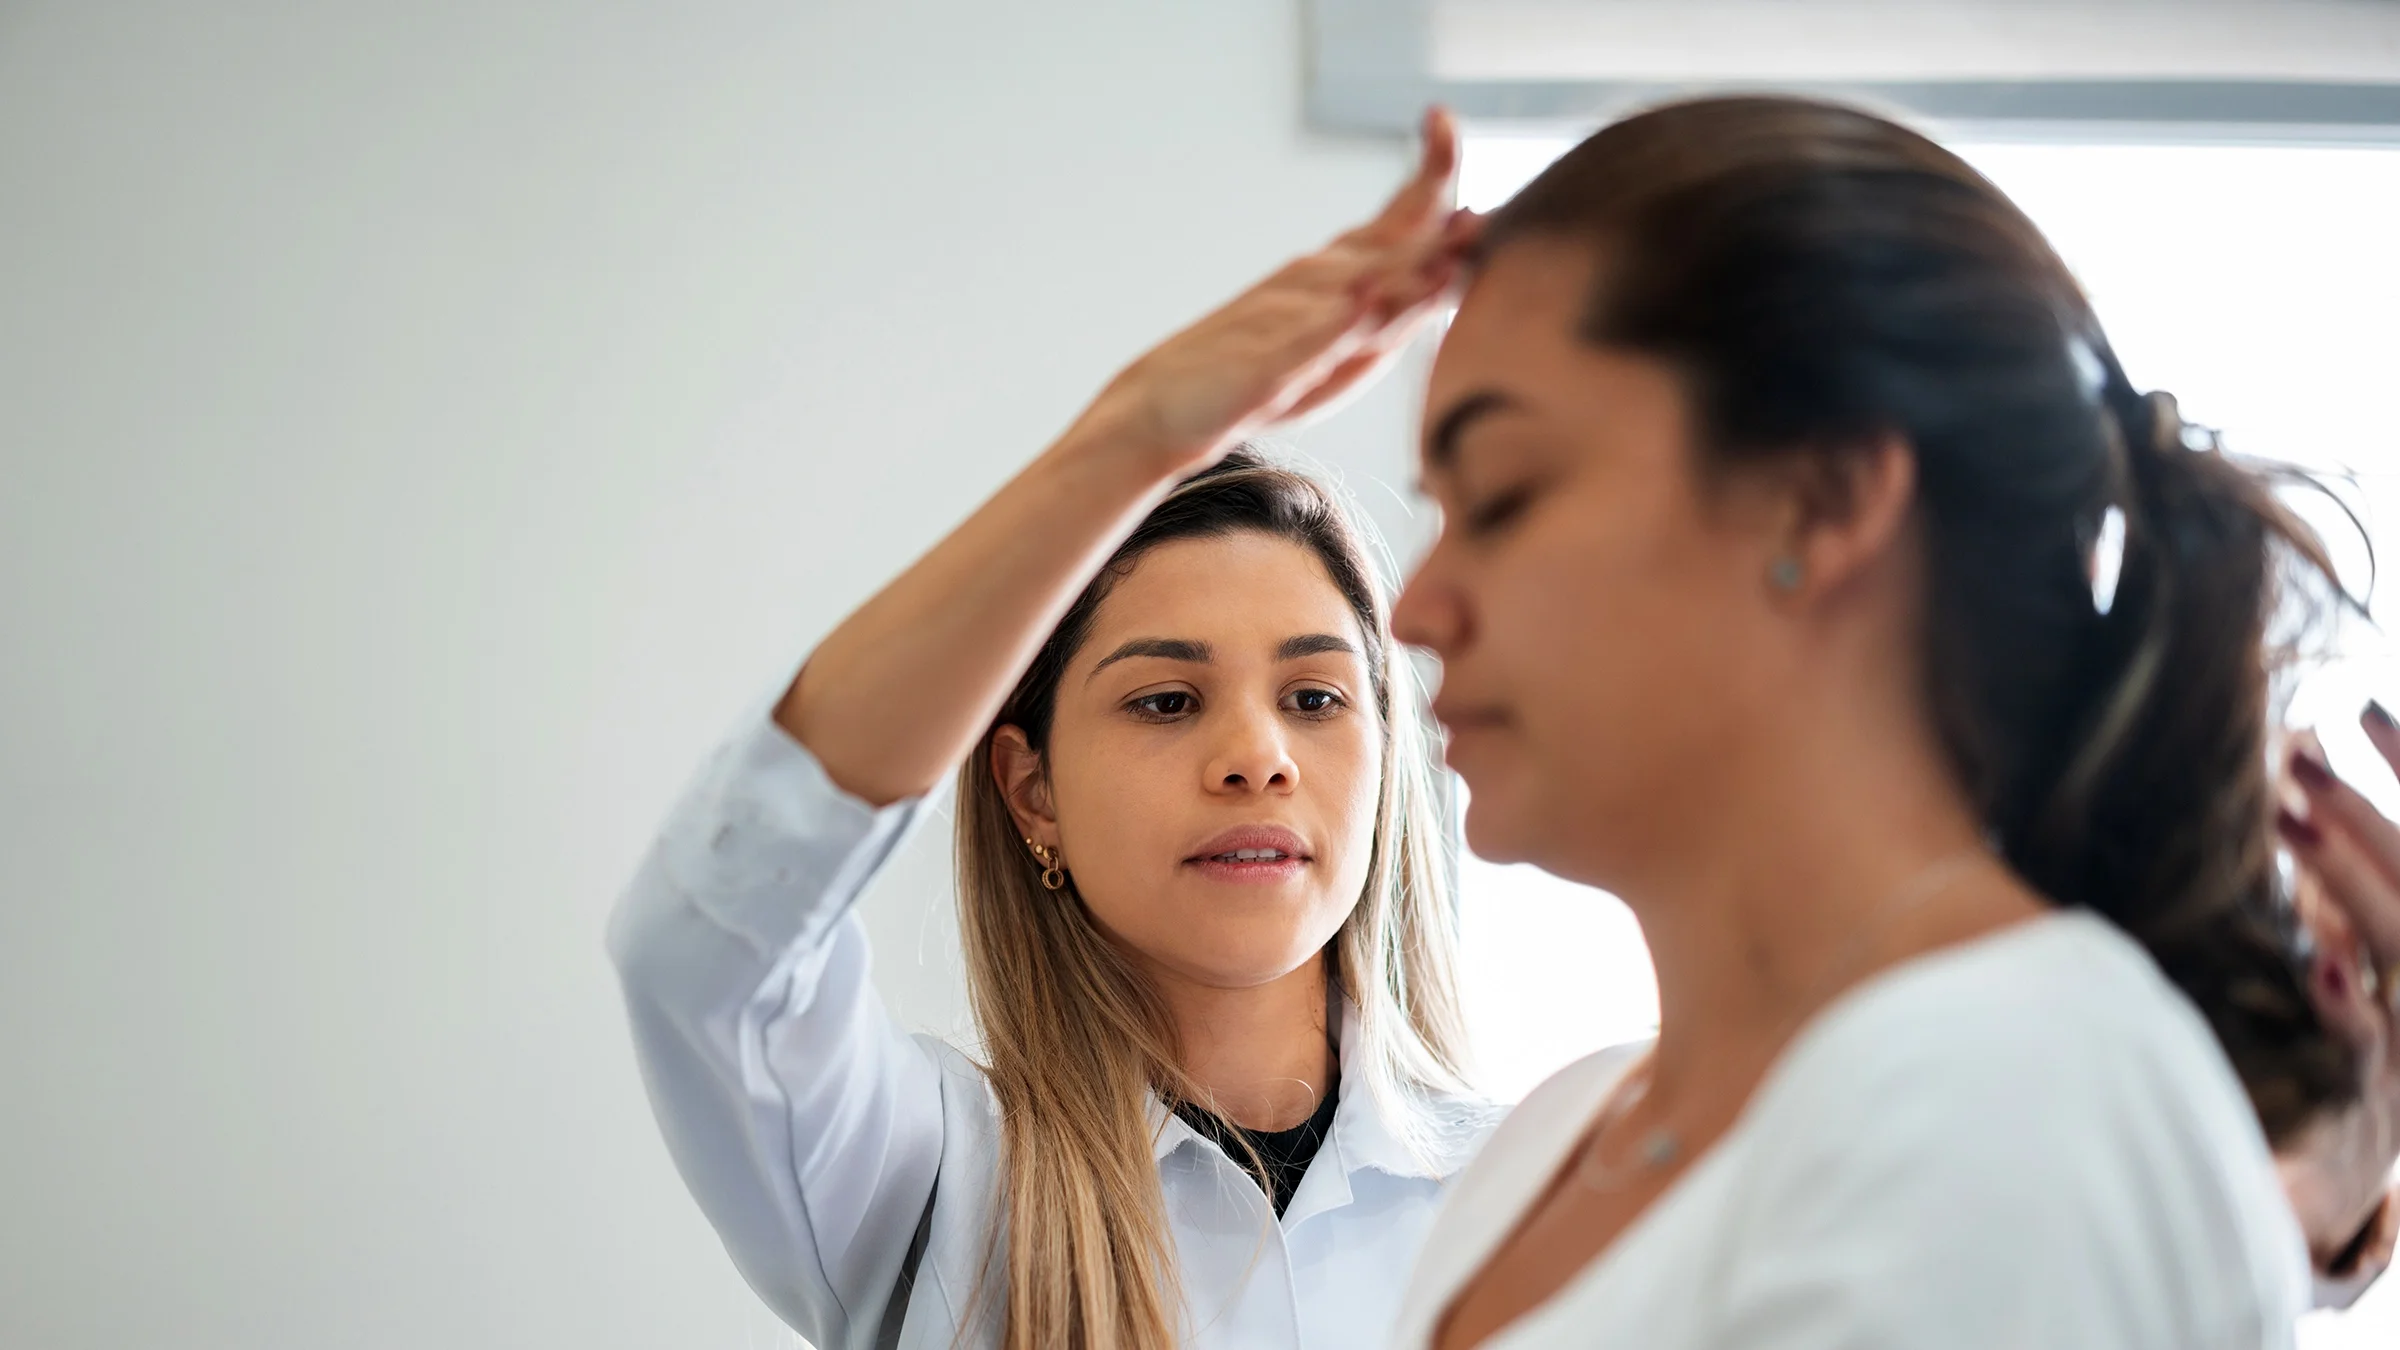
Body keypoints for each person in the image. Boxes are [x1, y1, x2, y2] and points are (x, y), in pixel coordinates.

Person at [1376, 95, 2400, 1349]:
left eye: (1502, 496)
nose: (1414, 608)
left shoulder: (2013, 1097)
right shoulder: (1556, 1133)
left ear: (1824, 499)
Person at [606, 116, 1495, 1350]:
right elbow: (705, 946)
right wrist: (1132, 437)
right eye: (1165, 701)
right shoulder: (926, 1186)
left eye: (1315, 697)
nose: (1258, 756)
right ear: (1032, 794)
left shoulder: (1539, 1192)